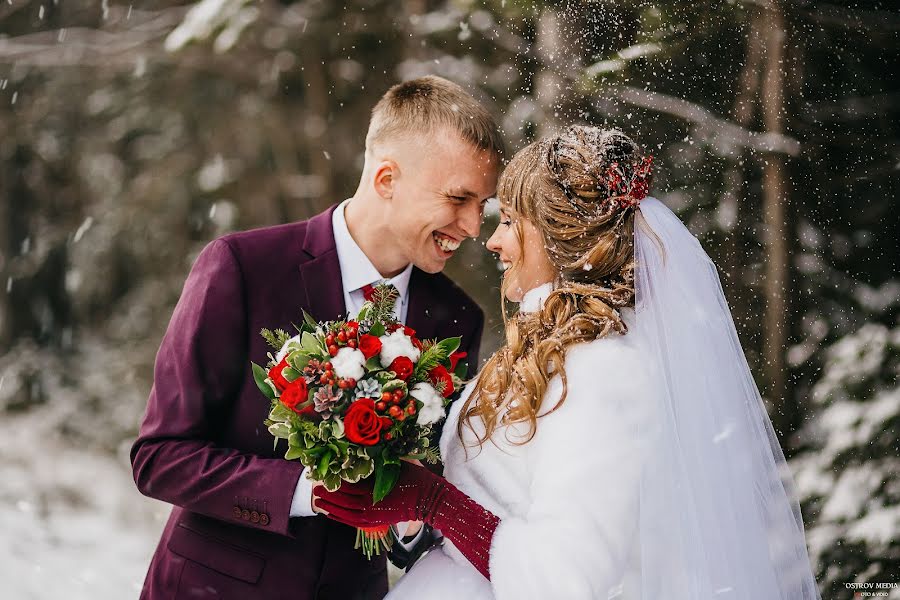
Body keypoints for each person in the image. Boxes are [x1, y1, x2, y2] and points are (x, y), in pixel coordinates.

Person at [315, 126, 821, 599]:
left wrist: (435, 503)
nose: (492, 240)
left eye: (511, 221)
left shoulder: (603, 372)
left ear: (561, 237)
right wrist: (408, 512)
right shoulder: (534, 353)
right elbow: (489, 508)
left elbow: (564, 579)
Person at [130, 75, 502, 599]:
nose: (472, 226)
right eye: (458, 198)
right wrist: (307, 492)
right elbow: (160, 457)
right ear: (387, 178)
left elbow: (419, 521)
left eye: (481, 204)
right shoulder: (243, 268)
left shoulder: (457, 318)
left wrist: (409, 519)